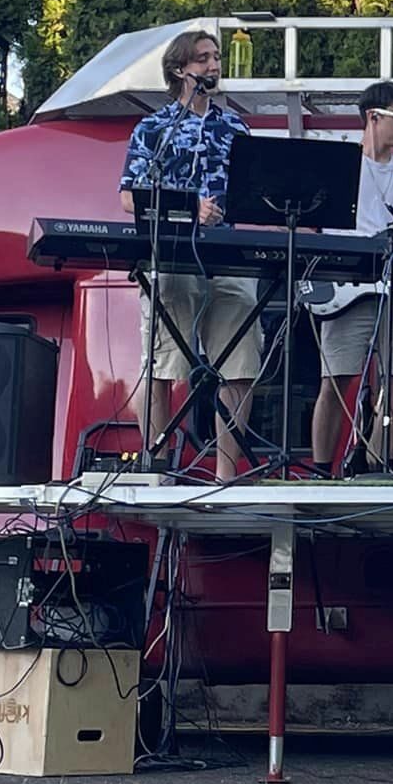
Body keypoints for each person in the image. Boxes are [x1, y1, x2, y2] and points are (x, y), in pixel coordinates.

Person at [118, 29, 260, 482]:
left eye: (216, 58)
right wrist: (187, 206)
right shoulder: (154, 128)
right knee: (162, 365)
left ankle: (224, 472)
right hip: (171, 254)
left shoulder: (235, 127)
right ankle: (156, 466)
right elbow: (128, 198)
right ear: (180, 70)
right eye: (203, 59)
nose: (213, 66)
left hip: (228, 256)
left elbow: (254, 196)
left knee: (238, 364)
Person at [310, 81, 393, 476]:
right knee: (335, 381)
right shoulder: (337, 164)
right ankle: (320, 470)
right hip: (345, 281)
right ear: (373, 116)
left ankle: (376, 468)